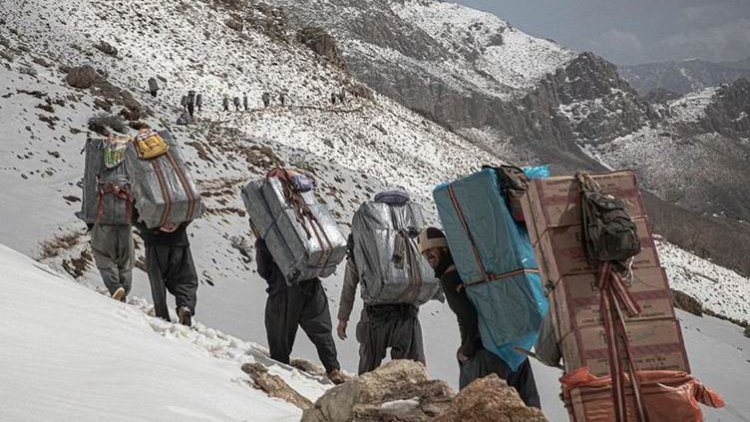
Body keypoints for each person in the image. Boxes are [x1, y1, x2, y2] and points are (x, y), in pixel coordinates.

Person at [418, 227, 541, 408]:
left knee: (475, 411)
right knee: (529, 410)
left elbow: (468, 316)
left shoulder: (450, 279)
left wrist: (466, 351)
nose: (430, 260)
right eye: (426, 256)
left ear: (444, 249)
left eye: (432, 253)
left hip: (485, 354)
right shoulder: (474, 271)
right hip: (515, 349)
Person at [254, 227, 345, 384]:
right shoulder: (304, 228)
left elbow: (264, 270)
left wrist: (260, 244)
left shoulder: (268, 238)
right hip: (312, 283)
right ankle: (333, 369)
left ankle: (280, 370)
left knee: (279, 332)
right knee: (321, 330)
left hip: (284, 287)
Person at [337, 234, 426, 375]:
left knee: (367, 374)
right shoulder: (401, 236)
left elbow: (349, 286)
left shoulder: (358, 243)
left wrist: (343, 318)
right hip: (406, 316)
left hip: (375, 318)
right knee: (411, 376)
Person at [135, 216, 199, 326]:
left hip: (155, 242)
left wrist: (149, 229)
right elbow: (192, 211)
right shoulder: (180, 198)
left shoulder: (144, 197)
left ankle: (162, 315)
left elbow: (134, 215)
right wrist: (178, 227)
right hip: (180, 241)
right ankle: (185, 306)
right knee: (186, 278)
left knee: (157, 280)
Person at [90, 222, 133, 301]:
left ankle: (116, 287)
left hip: (103, 224)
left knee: (103, 257)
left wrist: (91, 226)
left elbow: (89, 211)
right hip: (125, 225)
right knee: (125, 261)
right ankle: (123, 291)